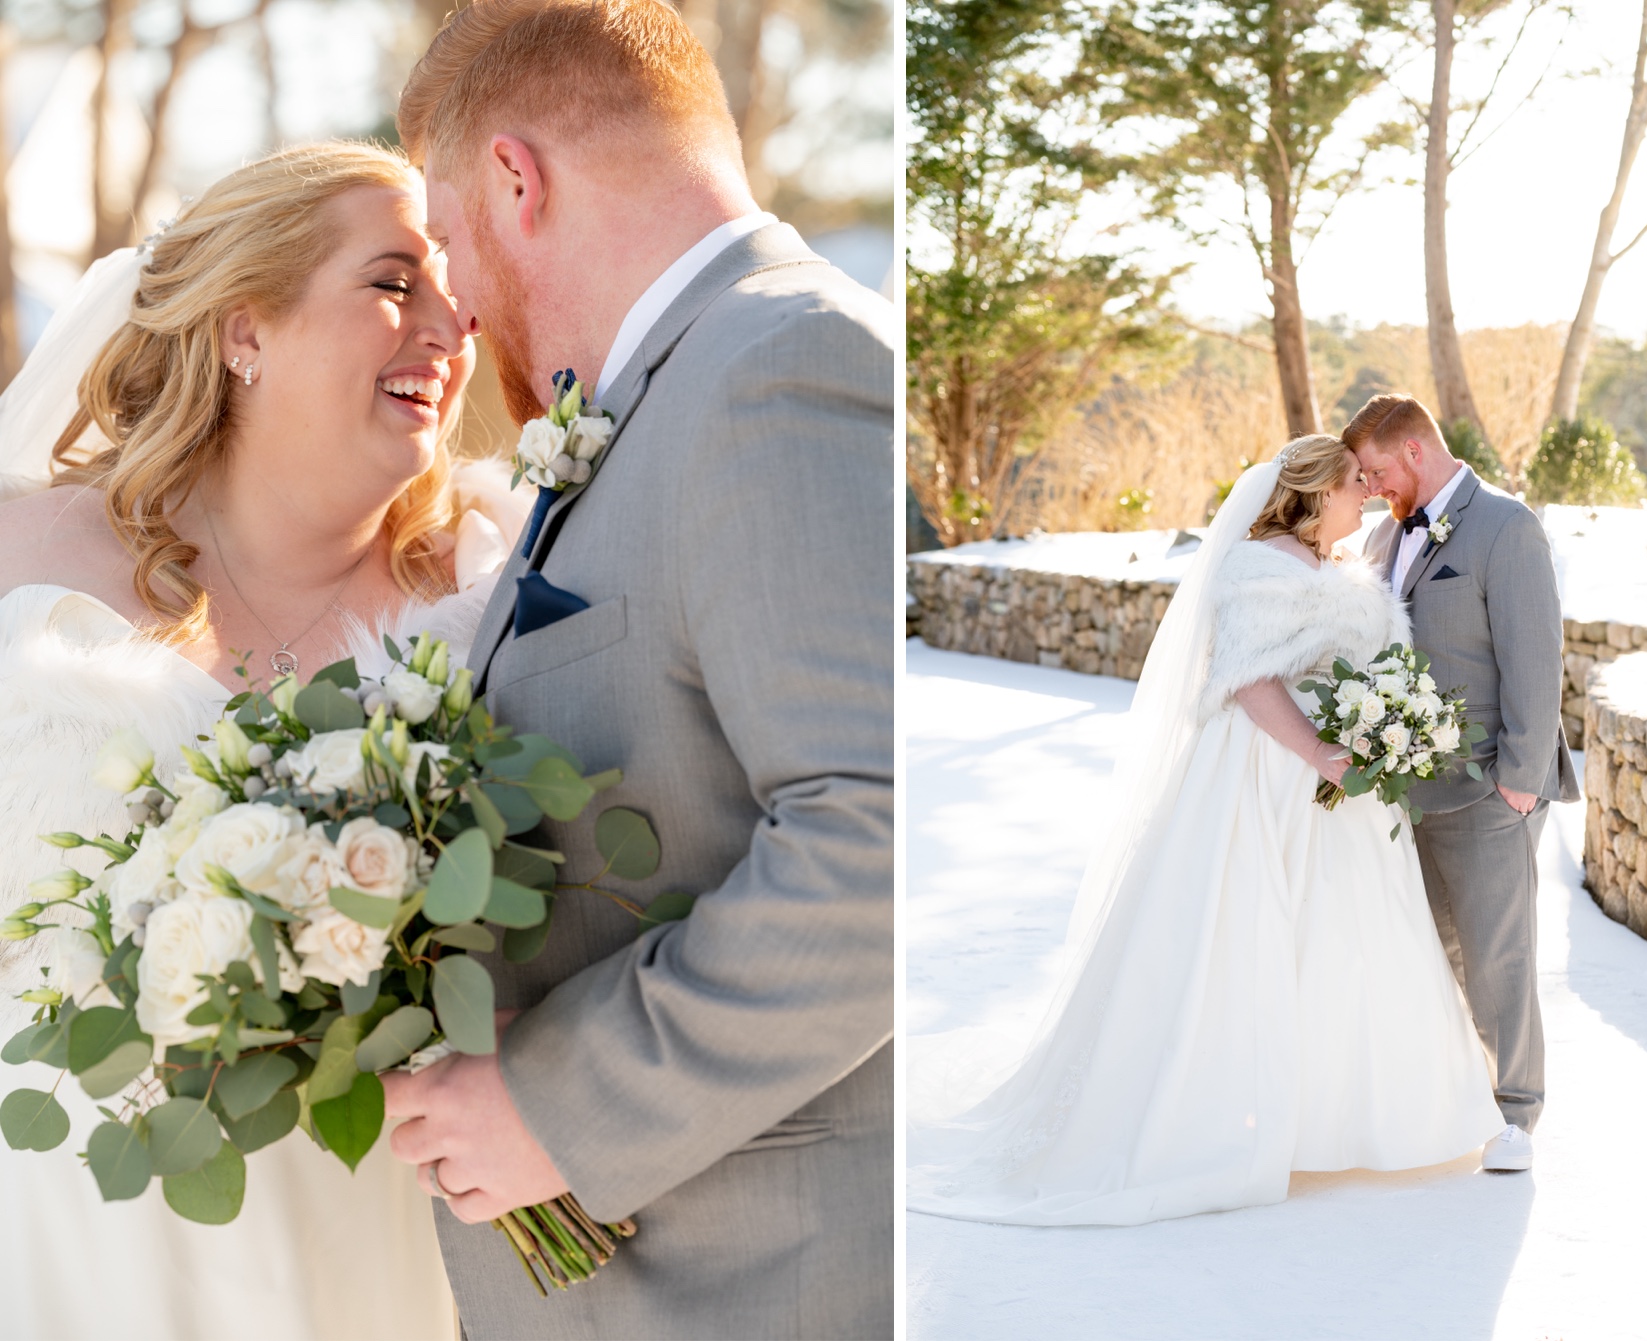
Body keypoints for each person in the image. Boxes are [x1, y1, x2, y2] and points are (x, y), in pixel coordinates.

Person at [374, 1, 895, 1337]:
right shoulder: (656, 399)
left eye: (447, 241)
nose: (455, 301)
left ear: (514, 180)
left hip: (760, 1283)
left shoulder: (780, 368)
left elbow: (883, 837)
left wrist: (560, 1105)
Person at [0, 141, 533, 1339]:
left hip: (374, 1227)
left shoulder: (498, 584)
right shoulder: (20, 556)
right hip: (70, 1223)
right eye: (396, 281)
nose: (452, 325)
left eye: (453, 285)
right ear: (247, 329)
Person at [908, 434, 1503, 1227]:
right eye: (1352, 484)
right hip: (1264, 772)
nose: (1364, 495)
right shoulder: (1255, 566)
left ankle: (1344, 1117)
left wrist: (1379, 730)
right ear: (1315, 492)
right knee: (1245, 933)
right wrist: (1321, 752)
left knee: (1345, 940)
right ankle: (1237, 1117)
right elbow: (1251, 678)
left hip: (1346, 788)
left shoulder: (1348, 569)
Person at [1344, 393, 1580, 1173]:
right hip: (1410, 791)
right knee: (1430, 951)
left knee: (1497, 954)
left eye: (1377, 470)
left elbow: (1536, 659)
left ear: (1413, 450)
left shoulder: (1506, 527)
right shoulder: (1384, 536)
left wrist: (1520, 781)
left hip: (1488, 789)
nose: (1372, 487)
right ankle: (1458, 1101)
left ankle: (1517, 1111)